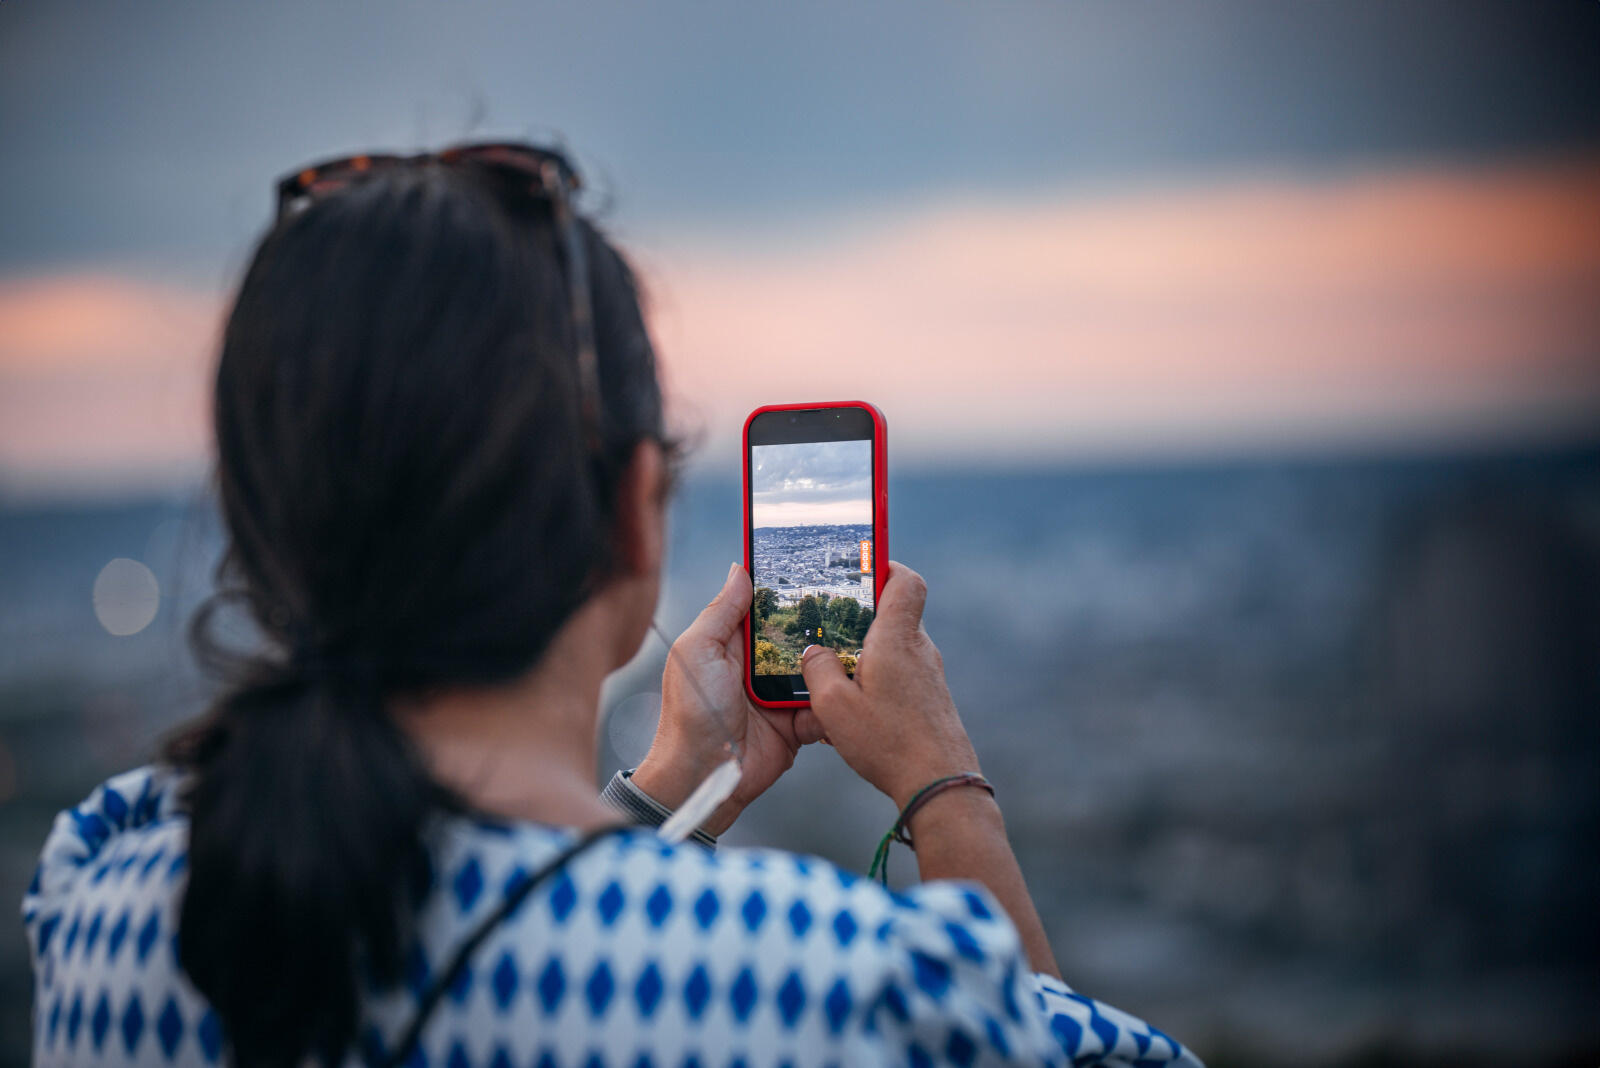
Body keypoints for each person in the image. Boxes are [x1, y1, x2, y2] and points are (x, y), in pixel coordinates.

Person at [21, 141, 1202, 1068]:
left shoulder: (99, 907)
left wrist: (669, 788)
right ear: (638, 508)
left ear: (265, 515)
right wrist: (947, 791)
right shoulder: (826, 986)